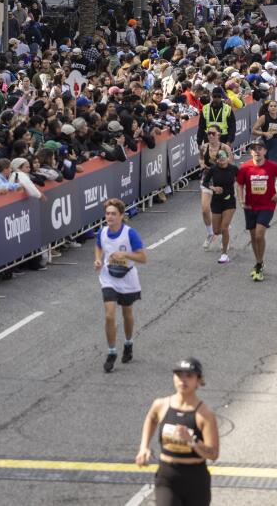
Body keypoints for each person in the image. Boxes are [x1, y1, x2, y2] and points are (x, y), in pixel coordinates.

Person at [135, 357, 220, 506]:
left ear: (198, 380)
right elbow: (151, 419)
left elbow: (213, 453)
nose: (183, 380)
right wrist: (144, 447)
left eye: (189, 376)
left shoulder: (204, 414)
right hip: (167, 477)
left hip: (195, 479)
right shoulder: (161, 404)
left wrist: (192, 442)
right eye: (179, 375)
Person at [94, 198, 148, 372]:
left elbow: (143, 258)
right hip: (108, 277)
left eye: (113, 214)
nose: (109, 217)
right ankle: (111, 352)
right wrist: (97, 259)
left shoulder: (130, 233)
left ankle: (128, 342)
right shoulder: (102, 232)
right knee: (109, 315)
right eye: (107, 213)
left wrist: (125, 255)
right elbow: (99, 246)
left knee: (127, 313)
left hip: (127, 278)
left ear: (121, 215)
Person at [235, 138, 277, 282]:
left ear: (265, 151)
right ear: (250, 152)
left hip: (267, 205)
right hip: (250, 205)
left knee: (259, 234)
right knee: (253, 236)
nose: (257, 151)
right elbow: (239, 185)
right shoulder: (245, 167)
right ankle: (259, 262)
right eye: (254, 149)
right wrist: (241, 200)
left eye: (260, 149)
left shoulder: (271, 166)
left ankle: (259, 263)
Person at [201, 147, 237, 264]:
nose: (221, 161)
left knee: (224, 228)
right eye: (219, 159)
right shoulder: (213, 169)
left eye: (223, 158)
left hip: (229, 201)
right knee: (216, 231)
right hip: (216, 201)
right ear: (216, 160)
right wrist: (213, 188)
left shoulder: (233, 169)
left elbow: (243, 179)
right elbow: (205, 182)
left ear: (228, 158)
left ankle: (224, 254)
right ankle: (223, 232)